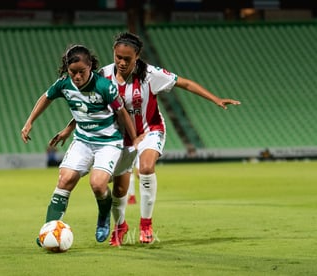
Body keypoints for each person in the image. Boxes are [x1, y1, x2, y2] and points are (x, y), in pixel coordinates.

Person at [50, 32, 241, 246]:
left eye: (127, 59)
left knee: (146, 168)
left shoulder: (151, 74)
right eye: (118, 57)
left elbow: (184, 83)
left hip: (149, 131)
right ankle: (120, 226)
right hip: (119, 137)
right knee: (120, 190)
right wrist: (69, 128)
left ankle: (146, 224)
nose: (121, 62)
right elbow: (90, 108)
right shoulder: (102, 76)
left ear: (137, 56)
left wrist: (215, 99)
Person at [21, 44, 138, 244]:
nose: (77, 77)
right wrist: (30, 121)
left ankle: (103, 217)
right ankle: (48, 229)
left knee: (98, 184)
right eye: (72, 72)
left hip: (108, 142)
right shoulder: (64, 84)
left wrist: (135, 140)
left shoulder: (104, 86)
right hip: (83, 140)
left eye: (81, 72)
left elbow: (122, 113)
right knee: (65, 179)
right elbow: (46, 98)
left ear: (90, 66)